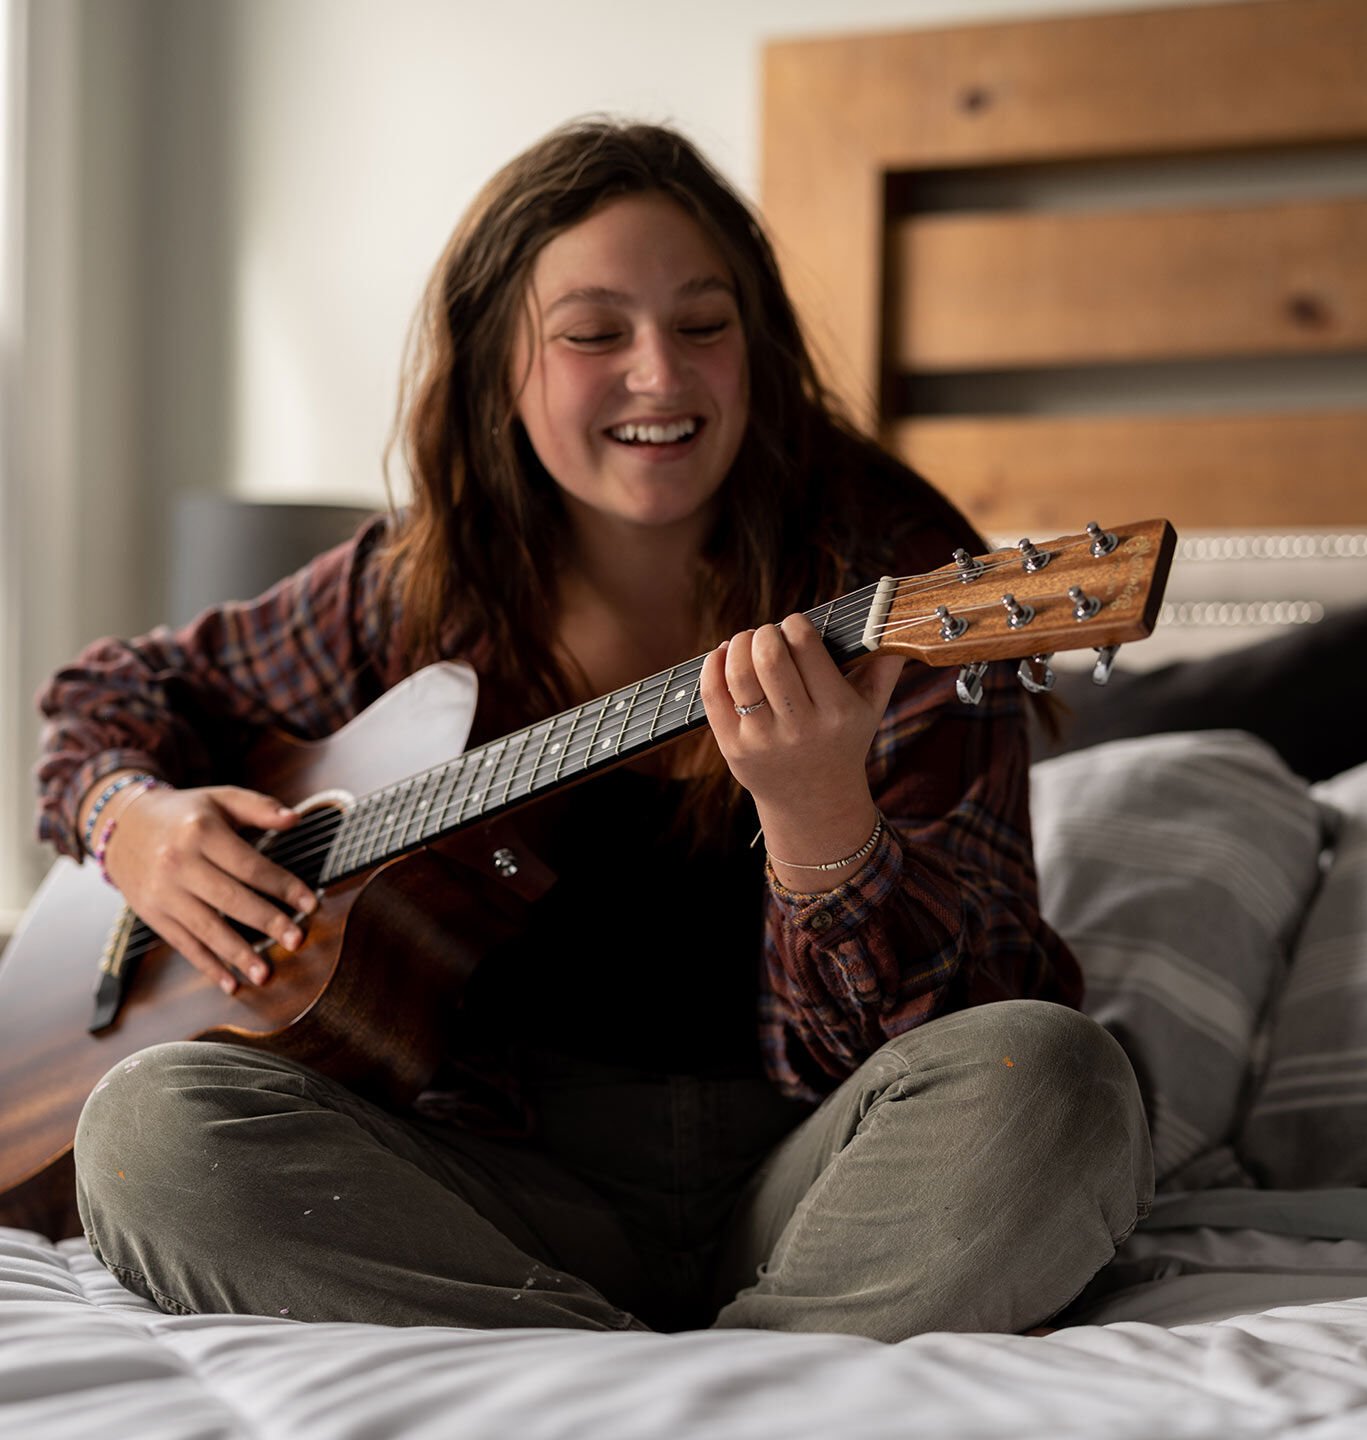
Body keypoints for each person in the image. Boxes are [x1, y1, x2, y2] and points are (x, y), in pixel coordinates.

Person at [35, 117, 1152, 1340]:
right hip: (486, 1191)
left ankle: (618, 1380)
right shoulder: (415, 594)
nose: (661, 377)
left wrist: (824, 826)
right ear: (498, 367)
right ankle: (731, 1385)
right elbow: (113, 695)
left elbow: (978, 1012)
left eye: (704, 325)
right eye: (592, 333)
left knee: (1059, 1081)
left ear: (759, 349)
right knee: (148, 1129)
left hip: (821, 1179)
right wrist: (128, 818)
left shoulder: (896, 581)